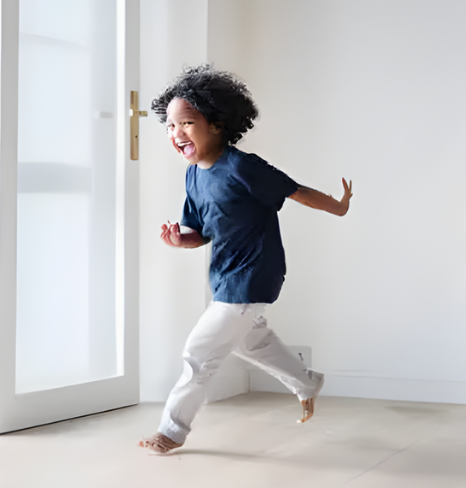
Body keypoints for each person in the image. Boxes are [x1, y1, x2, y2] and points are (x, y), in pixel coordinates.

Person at [139, 65, 352, 454]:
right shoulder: (193, 176)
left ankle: (171, 430)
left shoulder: (241, 166)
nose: (176, 133)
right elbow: (200, 233)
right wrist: (178, 240)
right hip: (225, 275)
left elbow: (295, 190)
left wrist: (338, 207)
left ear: (217, 124)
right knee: (250, 342)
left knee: (199, 354)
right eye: (170, 127)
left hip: (255, 272)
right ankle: (305, 382)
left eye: (186, 123)